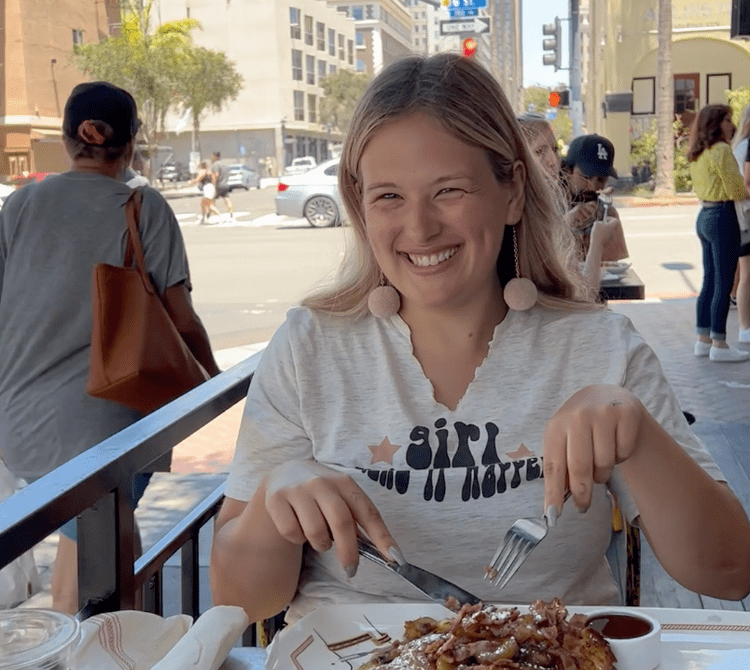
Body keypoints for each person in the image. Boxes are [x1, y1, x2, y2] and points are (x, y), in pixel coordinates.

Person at [211, 53, 750, 627]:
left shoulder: (599, 348)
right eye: (388, 196)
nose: (419, 229)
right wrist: (274, 498)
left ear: (513, 190)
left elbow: (728, 571)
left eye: (449, 190)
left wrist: (638, 435)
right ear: (359, 205)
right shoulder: (308, 349)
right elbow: (241, 602)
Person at [0, 81, 221, 614]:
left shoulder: (20, 205)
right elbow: (180, 318)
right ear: (131, 141)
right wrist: (215, 382)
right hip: (106, 425)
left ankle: (121, 659)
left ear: (67, 139)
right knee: (92, 562)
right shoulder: (141, 206)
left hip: (19, 419)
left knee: (115, 545)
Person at [517, 116, 621, 295]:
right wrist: (594, 240)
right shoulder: (520, 214)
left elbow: (612, 265)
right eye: (540, 151)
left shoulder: (606, 212)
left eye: (555, 149)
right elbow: (582, 295)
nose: (552, 160)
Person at [688, 103, 749, 362]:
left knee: (709, 280)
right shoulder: (722, 150)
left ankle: (703, 340)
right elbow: (736, 189)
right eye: (726, 119)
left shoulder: (698, 152)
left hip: (704, 215)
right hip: (723, 216)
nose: (731, 124)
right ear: (716, 123)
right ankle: (719, 343)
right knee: (724, 283)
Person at [560, 134, 629, 266]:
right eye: (586, 176)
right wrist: (566, 225)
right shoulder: (546, 206)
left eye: (601, 179)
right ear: (567, 171)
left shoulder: (607, 214)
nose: (593, 186)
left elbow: (610, 268)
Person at [733, 103, 750, 343]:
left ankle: (745, 327)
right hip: (747, 214)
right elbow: (748, 184)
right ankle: (745, 327)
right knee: (747, 274)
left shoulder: (738, 146)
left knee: (745, 273)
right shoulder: (747, 147)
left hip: (740, 214)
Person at [210, 151, 234, 222]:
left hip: (218, 185)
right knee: (227, 199)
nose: (211, 157)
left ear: (215, 156)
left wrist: (214, 183)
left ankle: (214, 215)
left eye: (212, 156)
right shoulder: (224, 165)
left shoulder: (216, 165)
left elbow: (216, 175)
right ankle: (231, 213)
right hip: (225, 185)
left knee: (211, 201)